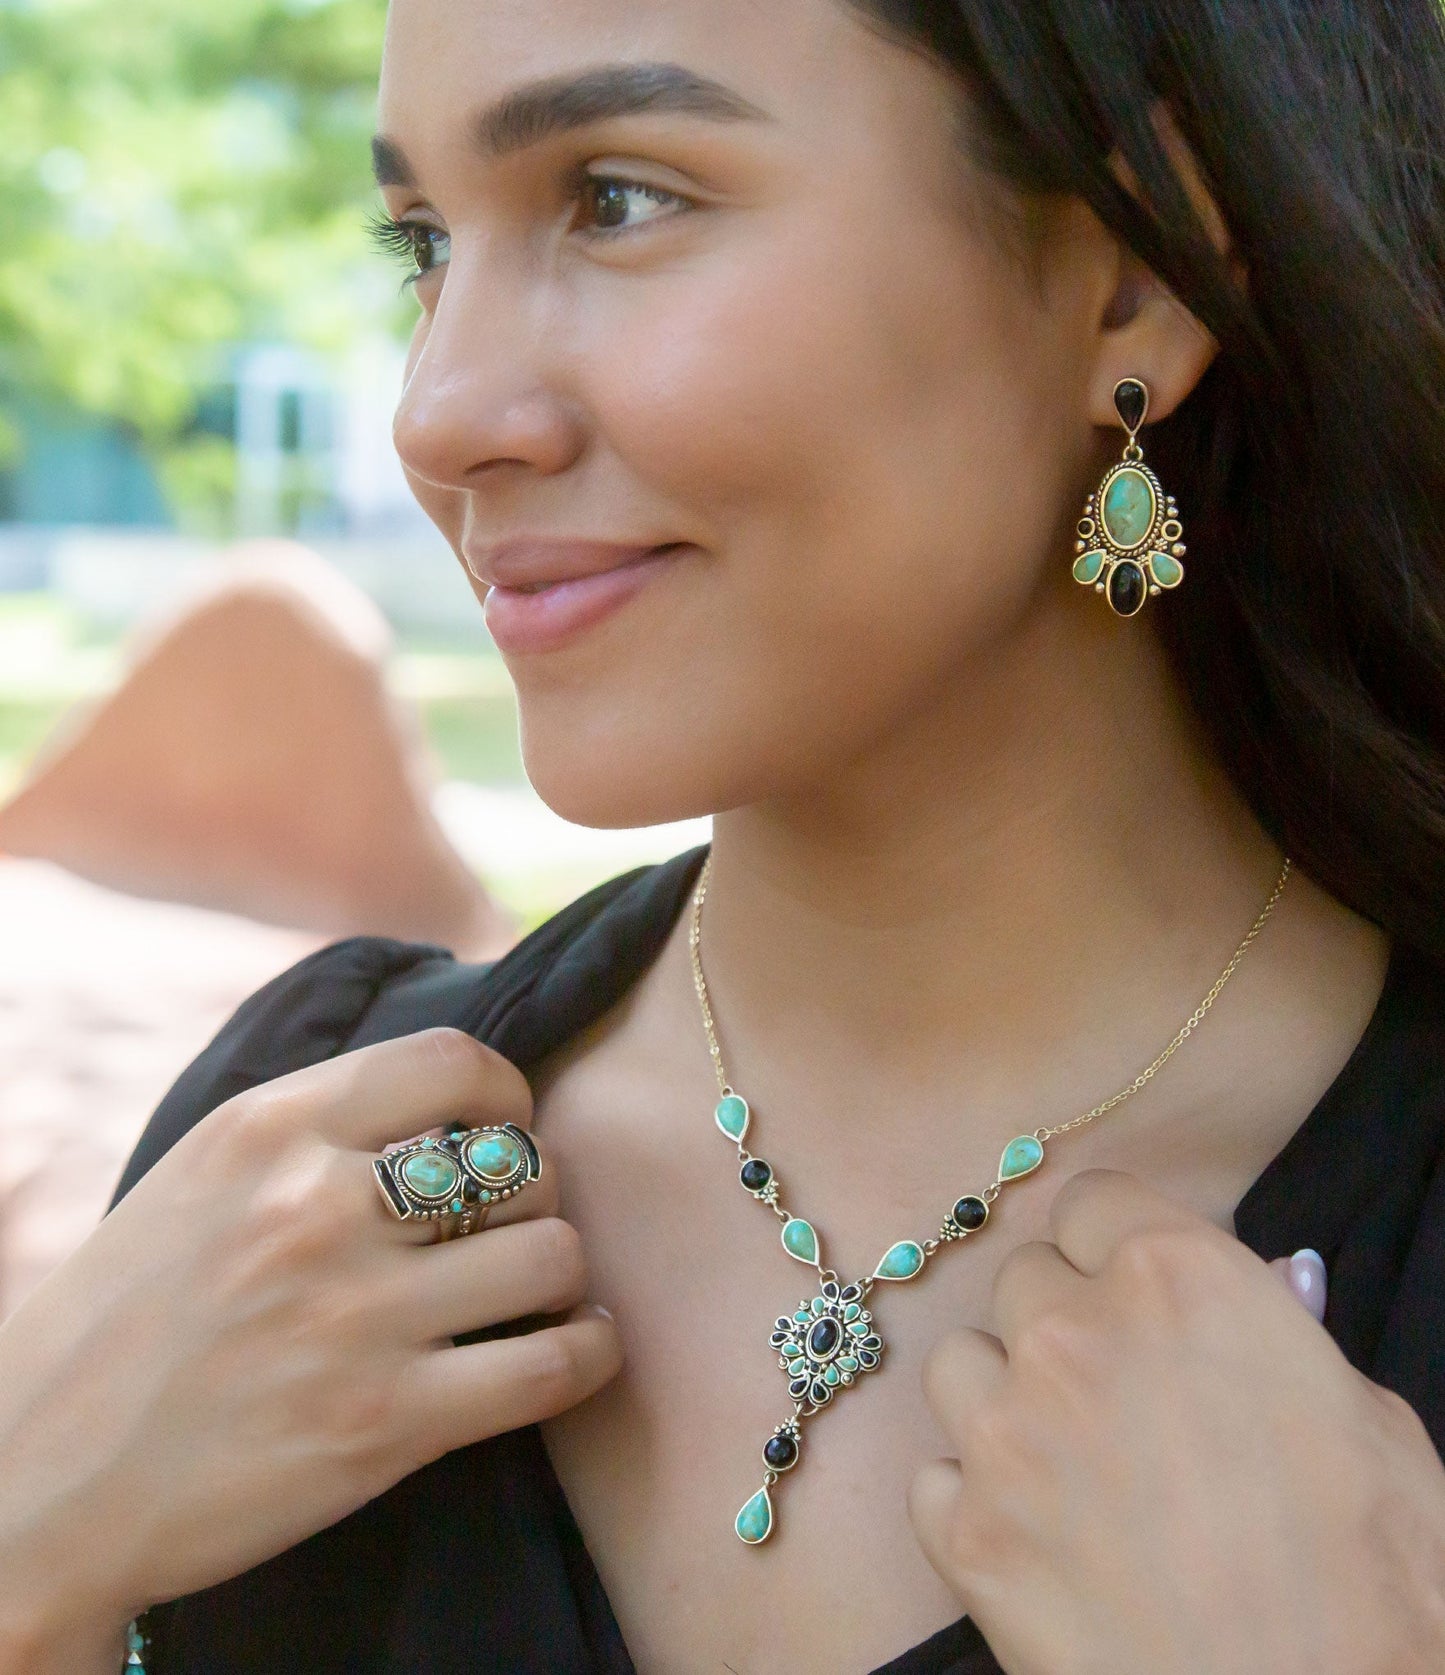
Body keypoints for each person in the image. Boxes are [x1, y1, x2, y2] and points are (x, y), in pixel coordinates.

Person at [3, 1, 1445, 1670]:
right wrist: (32, 1541)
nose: (438, 411)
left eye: (616, 198)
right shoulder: (288, 1171)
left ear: (1135, 273)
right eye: (423, 241)